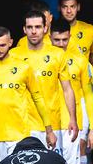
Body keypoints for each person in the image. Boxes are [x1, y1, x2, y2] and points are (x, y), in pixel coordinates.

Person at [0, 26, 54, 164]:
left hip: (19, 136)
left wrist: (49, 130)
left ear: (10, 42)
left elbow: (38, 99)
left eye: (3, 45)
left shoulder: (24, 67)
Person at [10, 10, 78, 155]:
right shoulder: (13, 55)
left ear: (45, 28)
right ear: (24, 29)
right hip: (22, 125)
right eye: (30, 27)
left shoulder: (58, 54)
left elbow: (67, 89)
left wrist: (73, 118)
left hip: (53, 122)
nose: (34, 31)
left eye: (38, 27)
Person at [49, 19, 93, 164]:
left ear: (70, 36)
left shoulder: (80, 60)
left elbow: (89, 94)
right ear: (49, 37)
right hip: (48, 118)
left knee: (70, 163)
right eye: (57, 40)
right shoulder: (41, 59)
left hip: (72, 116)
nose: (61, 44)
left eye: (65, 39)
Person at [59, 0, 93, 70]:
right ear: (59, 8)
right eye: (65, 7)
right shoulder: (52, 31)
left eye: (72, 6)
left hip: (84, 79)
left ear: (78, 7)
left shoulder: (90, 30)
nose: (69, 11)